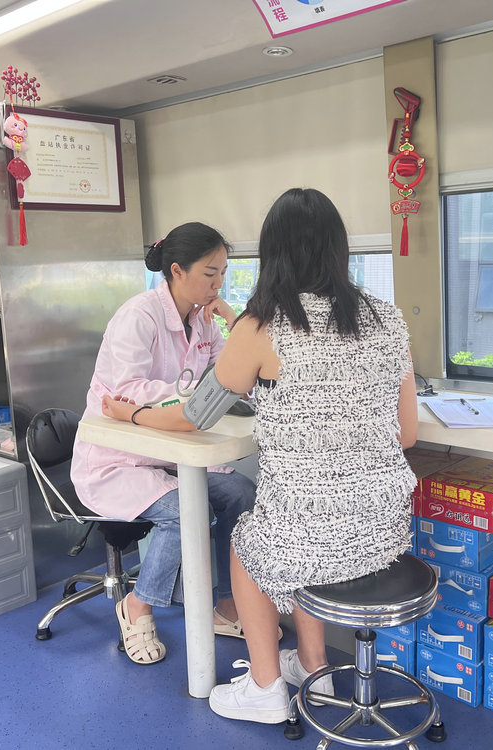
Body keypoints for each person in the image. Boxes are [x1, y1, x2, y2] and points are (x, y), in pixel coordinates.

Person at [101, 188, 418, 722]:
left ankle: (266, 688)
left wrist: (131, 415)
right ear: (339, 249)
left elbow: (194, 415)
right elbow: (405, 434)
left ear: (273, 255)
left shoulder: (262, 325)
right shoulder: (387, 319)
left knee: (252, 539)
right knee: (290, 533)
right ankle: (314, 666)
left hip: (307, 531)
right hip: (384, 531)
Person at [71, 221, 257, 666]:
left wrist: (232, 323)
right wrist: (195, 394)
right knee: (185, 512)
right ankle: (137, 606)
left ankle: (225, 605)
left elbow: (231, 374)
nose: (218, 283)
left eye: (223, 273)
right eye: (210, 273)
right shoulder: (139, 316)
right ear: (177, 270)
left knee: (240, 493)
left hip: (170, 451)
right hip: (119, 459)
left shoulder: (203, 321)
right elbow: (127, 391)